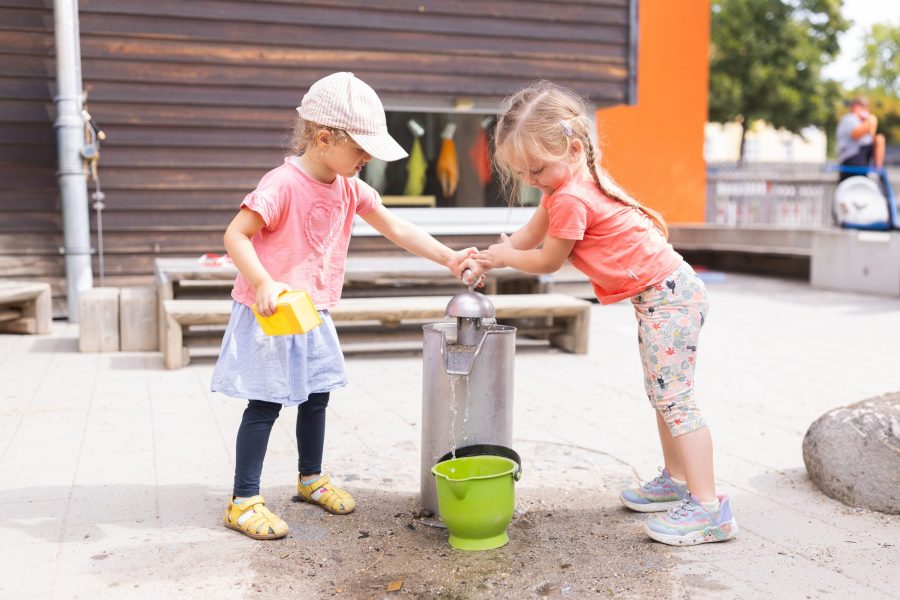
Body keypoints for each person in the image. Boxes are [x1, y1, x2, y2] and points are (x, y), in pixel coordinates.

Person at [464, 81, 737, 546]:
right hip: (665, 295)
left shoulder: (570, 196)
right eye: (523, 172)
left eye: (537, 169)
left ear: (572, 148)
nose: (532, 179)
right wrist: (491, 256)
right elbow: (526, 238)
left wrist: (504, 258)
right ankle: (676, 481)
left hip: (668, 297)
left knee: (676, 400)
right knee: (662, 393)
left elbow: (547, 260)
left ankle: (710, 509)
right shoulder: (565, 185)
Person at [212, 72, 472, 540]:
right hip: (271, 313)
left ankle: (310, 479)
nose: (367, 158)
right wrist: (263, 281)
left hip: (313, 312)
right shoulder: (282, 184)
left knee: (316, 397)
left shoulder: (348, 187)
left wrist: (450, 257)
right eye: (361, 149)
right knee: (265, 404)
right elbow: (236, 235)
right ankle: (243, 500)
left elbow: (397, 228)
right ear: (324, 138)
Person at [836, 96, 886, 181]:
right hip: (851, 160)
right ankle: (878, 172)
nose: (865, 110)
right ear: (855, 106)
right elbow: (855, 135)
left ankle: (879, 172)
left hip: (861, 161)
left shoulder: (860, 122)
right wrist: (870, 121)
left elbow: (872, 138)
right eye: (863, 107)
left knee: (880, 139)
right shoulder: (850, 118)